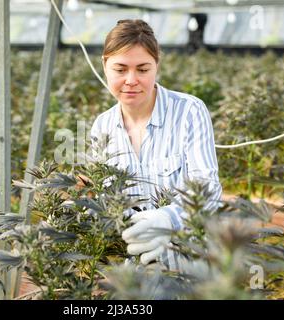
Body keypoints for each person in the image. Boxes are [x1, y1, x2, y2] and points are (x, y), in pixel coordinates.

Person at [90, 19, 222, 271]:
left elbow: (209, 190)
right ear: (105, 66)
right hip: (135, 261)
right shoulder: (102, 126)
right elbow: (106, 198)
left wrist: (168, 218)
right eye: (120, 69)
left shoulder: (188, 111)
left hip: (190, 257)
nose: (131, 80)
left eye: (142, 69)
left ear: (156, 67)